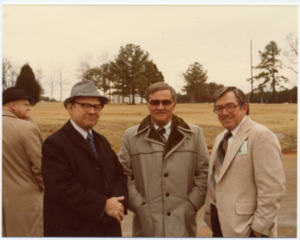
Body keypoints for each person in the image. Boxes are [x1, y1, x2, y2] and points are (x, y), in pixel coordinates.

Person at [118, 82, 209, 237]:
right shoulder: (131, 136)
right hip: (147, 225)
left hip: (183, 224)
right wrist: (140, 206)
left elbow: (204, 173)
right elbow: (122, 175)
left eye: (166, 102)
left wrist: (192, 204)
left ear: (174, 104)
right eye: (155, 102)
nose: (160, 107)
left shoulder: (194, 134)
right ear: (147, 104)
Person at [41, 80, 128, 237]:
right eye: (85, 105)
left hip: (107, 228)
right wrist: (103, 205)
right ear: (70, 108)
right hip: (73, 230)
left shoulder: (101, 141)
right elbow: (62, 188)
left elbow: (119, 175)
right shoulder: (55, 144)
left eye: (96, 107)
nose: (92, 111)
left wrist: (117, 203)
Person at [204, 86, 286, 237]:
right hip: (221, 224)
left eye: (230, 106)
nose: (224, 112)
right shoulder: (220, 138)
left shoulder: (261, 136)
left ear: (244, 107)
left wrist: (259, 229)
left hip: (247, 230)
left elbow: (272, 189)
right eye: (219, 108)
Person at [2, 87, 44, 237]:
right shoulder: (26, 128)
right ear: (13, 105)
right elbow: (40, 167)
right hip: (27, 203)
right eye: (25, 104)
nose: (29, 108)